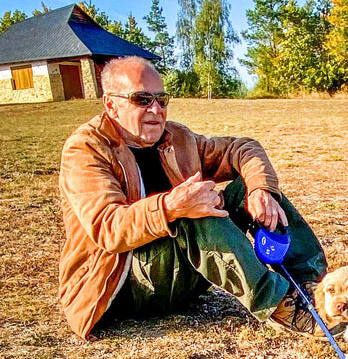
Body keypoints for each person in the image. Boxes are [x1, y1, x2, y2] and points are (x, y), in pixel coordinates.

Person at [57, 55, 325, 341]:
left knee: (246, 188)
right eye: (142, 99)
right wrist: (172, 206)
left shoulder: (176, 137)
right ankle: (281, 308)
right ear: (111, 104)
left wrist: (260, 189)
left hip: (179, 274)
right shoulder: (85, 150)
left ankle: (315, 288)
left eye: (162, 99)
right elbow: (108, 228)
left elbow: (242, 148)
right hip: (121, 286)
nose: (156, 109)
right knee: (194, 209)